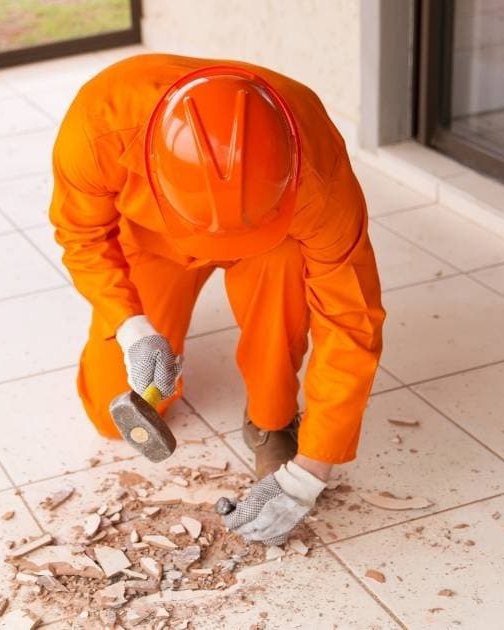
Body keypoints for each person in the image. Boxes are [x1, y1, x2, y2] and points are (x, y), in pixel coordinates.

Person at [50, 54, 386, 546]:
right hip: (153, 243)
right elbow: (81, 236)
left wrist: (311, 471)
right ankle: (154, 344)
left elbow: (351, 318)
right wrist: (131, 327)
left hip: (267, 247)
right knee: (109, 411)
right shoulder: (101, 120)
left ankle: (271, 421)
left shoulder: (318, 172)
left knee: (285, 265)